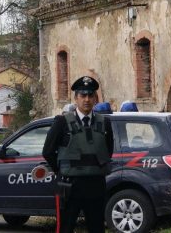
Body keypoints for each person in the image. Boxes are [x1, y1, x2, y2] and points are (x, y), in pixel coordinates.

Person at [42, 76, 114, 233]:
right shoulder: (62, 122)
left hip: (95, 186)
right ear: (76, 98)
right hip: (70, 186)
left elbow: (108, 150)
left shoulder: (104, 123)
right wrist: (62, 170)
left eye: (90, 95)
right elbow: (47, 151)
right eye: (83, 95)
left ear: (95, 98)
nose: (87, 100)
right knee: (65, 228)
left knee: (97, 228)